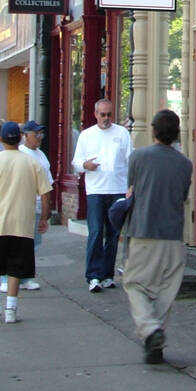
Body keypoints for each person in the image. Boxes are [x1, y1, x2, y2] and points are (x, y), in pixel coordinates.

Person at [122, 109, 193, 364]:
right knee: (166, 289)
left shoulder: (138, 157)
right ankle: (155, 343)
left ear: (153, 130)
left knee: (136, 284)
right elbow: (183, 196)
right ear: (176, 133)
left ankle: (150, 329)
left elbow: (130, 192)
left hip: (143, 230)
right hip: (173, 234)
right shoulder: (185, 163)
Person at [0, 121, 52, 324]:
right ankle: (11, 308)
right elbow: (45, 193)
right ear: (20, 138)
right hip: (23, 223)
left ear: (1, 139)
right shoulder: (32, 162)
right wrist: (44, 217)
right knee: (16, 268)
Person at [72, 97, 132, 292]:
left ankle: (107, 274)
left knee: (113, 234)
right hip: (96, 190)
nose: (106, 118)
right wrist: (85, 165)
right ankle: (93, 275)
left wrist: (130, 186)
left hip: (117, 188)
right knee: (96, 231)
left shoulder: (122, 133)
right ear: (95, 114)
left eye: (109, 115)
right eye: (102, 114)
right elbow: (76, 162)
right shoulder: (87, 135)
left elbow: (130, 160)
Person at [17, 120, 54, 290]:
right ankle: (7, 277)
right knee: (19, 242)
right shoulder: (21, 154)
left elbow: (47, 181)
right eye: (35, 134)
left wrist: (46, 211)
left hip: (39, 204)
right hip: (25, 204)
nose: (39, 137)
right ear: (25, 136)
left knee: (34, 243)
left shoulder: (40, 154)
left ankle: (26, 277)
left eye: (41, 134)